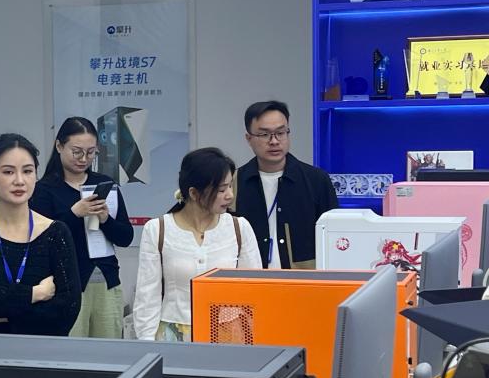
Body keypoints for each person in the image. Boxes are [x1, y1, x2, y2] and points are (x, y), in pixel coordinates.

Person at [0, 133, 81, 336]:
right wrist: (35, 294)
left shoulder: (56, 233)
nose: (19, 180)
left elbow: (66, 312)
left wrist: (1, 317)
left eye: (27, 171)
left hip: (45, 350)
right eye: (8, 172)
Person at [132, 148, 262, 341]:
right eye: (221, 190)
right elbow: (147, 296)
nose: (230, 195)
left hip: (228, 334)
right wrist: (147, 343)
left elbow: (254, 292)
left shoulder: (239, 228)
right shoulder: (158, 229)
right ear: (193, 193)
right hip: (174, 335)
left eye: (230, 186)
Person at [30, 117, 134, 338]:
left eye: (90, 152)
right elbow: (41, 242)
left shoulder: (105, 184)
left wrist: (105, 219)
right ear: (59, 146)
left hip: (106, 279)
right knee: (72, 350)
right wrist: (74, 214)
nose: (84, 159)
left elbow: (126, 237)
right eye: (76, 152)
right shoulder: (44, 190)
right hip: (66, 284)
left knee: (109, 350)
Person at [234, 100, 339, 269]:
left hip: (304, 279)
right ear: (249, 138)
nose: (274, 141)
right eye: (264, 134)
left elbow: (334, 235)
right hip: (250, 278)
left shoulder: (316, 180)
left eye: (280, 133)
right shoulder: (235, 182)